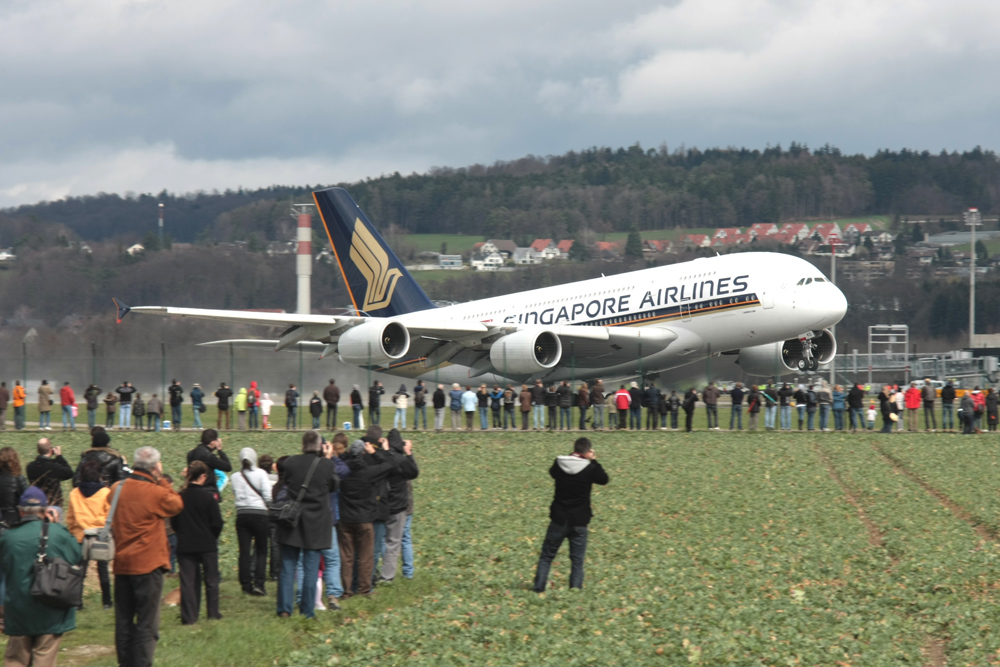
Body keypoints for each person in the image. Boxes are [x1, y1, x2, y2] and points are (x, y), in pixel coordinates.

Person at [111, 446, 183, 667]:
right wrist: (161, 479)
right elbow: (177, 504)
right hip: (148, 565)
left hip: (122, 564)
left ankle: (125, 663)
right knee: (146, 623)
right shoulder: (156, 493)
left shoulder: (116, 488)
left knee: (123, 621)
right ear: (155, 467)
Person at [0, 487, 81, 666]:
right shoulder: (58, 533)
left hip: (18, 607)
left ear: (21, 511)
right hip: (51, 605)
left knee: (16, 659)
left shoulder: (8, 537)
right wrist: (57, 525)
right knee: (44, 657)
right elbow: (77, 555)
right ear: (45, 511)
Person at [276, 431, 340, 618]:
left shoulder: (290, 463)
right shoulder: (326, 465)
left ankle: (284, 609)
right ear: (320, 445)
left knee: (288, 567)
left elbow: (286, 483)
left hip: (292, 520)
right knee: (312, 568)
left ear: (303, 444)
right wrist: (327, 458)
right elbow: (335, 485)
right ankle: (307, 610)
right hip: (316, 522)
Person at [533, 437, 609, 592]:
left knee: (547, 556)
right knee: (577, 560)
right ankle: (575, 591)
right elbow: (604, 479)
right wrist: (593, 460)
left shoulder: (559, 464)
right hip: (579, 520)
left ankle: (538, 588)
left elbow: (552, 473)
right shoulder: (590, 468)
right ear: (588, 451)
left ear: (574, 449)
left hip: (559, 518)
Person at [337, 436, 397, 599]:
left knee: (347, 557)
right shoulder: (369, 472)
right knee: (365, 556)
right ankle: (364, 590)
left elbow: (338, 459)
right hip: (364, 519)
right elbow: (390, 464)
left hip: (345, 519)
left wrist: (347, 454)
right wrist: (377, 452)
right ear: (363, 454)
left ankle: (347, 590)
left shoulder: (343, 471)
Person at [172, 461, 223, 624]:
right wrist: (211, 536)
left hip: (185, 544)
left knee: (188, 582)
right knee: (211, 580)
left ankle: (189, 617)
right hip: (206, 543)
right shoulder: (208, 497)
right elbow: (217, 522)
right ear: (202, 476)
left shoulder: (180, 497)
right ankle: (213, 613)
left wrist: (182, 533)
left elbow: (174, 522)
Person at [66, 460, 113, 610]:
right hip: (100, 535)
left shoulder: (74, 493)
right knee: (103, 570)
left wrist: (72, 531)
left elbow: (70, 517)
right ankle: (107, 602)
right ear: (99, 475)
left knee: (80, 571)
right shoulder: (106, 492)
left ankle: (77, 602)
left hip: (81, 535)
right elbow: (109, 514)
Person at [231, 447, 272, 596]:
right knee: (261, 551)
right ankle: (259, 584)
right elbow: (267, 496)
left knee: (244, 552)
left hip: (242, 515)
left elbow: (235, 493)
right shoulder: (261, 473)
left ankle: (246, 584)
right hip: (260, 514)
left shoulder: (235, 476)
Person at [379, 429, 418, 584]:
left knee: (383, 539)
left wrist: (384, 449)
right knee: (400, 539)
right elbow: (414, 471)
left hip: (383, 505)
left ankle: (383, 571)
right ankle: (399, 573)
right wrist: (408, 453)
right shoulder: (402, 461)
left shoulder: (382, 458)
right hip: (401, 505)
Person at [26, 438, 74, 507]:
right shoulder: (54, 467)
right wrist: (59, 456)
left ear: (38, 450)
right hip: (53, 505)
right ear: (51, 450)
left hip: (36, 504)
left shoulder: (30, 467)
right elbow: (69, 473)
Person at [187, 429, 232, 495]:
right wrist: (220, 450)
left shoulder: (191, 453)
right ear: (212, 442)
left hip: (192, 491)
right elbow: (228, 467)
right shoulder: (209, 457)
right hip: (208, 493)